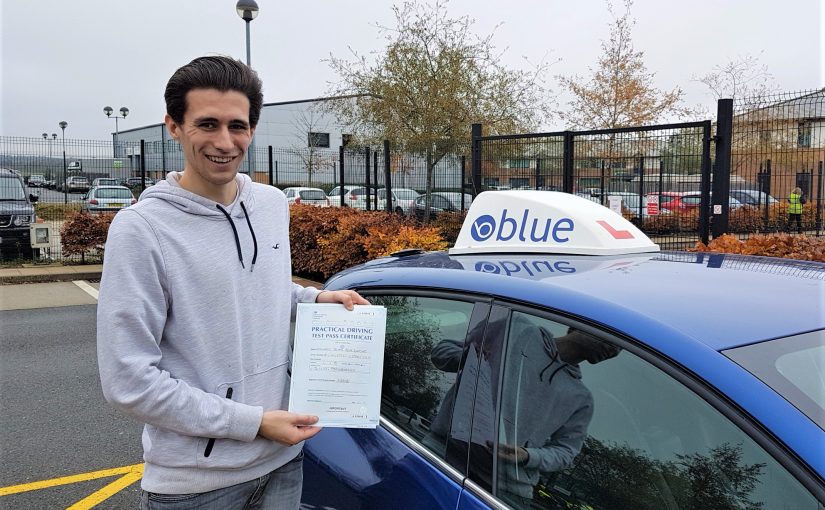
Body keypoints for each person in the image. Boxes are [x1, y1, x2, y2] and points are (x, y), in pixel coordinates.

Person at [96, 56, 368, 510]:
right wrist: (253, 422)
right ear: (174, 126)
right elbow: (129, 381)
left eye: (237, 126)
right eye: (207, 124)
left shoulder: (271, 204)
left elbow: (261, 290)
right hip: (196, 486)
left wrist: (315, 298)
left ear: (252, 129)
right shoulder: (141, 229)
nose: (225, 142)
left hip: (284, 459)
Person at [426, 318, 620, 504]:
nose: (615, 349)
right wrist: (467, 357)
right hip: (442, 456)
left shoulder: (582, 399)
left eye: (619, 348)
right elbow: (440, 352)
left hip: (504, 492)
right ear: (582, 323)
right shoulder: (514, 329)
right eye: (613, 336)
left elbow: (566, 451)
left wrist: (528, 455)